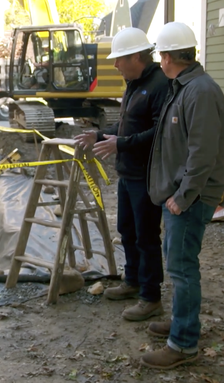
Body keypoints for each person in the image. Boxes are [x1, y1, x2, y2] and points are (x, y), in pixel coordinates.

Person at [142, 21, 224, 369]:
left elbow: (202, 153)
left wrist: (184, 195)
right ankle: (182, 321)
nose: (160, 61)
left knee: (181, 268)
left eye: (160, 54)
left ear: (167, 57)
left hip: (189, 199)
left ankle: (183, 343)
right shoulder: (184, 86)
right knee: (177, 263)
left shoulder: (200, 91)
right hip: (178, 194)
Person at [74, 27, 169, 322]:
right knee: (127, 231)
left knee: (146, 236)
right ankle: (133, 281)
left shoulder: (158, 85)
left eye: (119, 59)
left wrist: (121, 144)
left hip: (146, 176)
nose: (115, 65)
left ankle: (151, 297)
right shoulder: (133, 83)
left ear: (136, 56)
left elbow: (160, 133)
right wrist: (99, 134)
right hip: (128, 174)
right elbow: (127, 127)